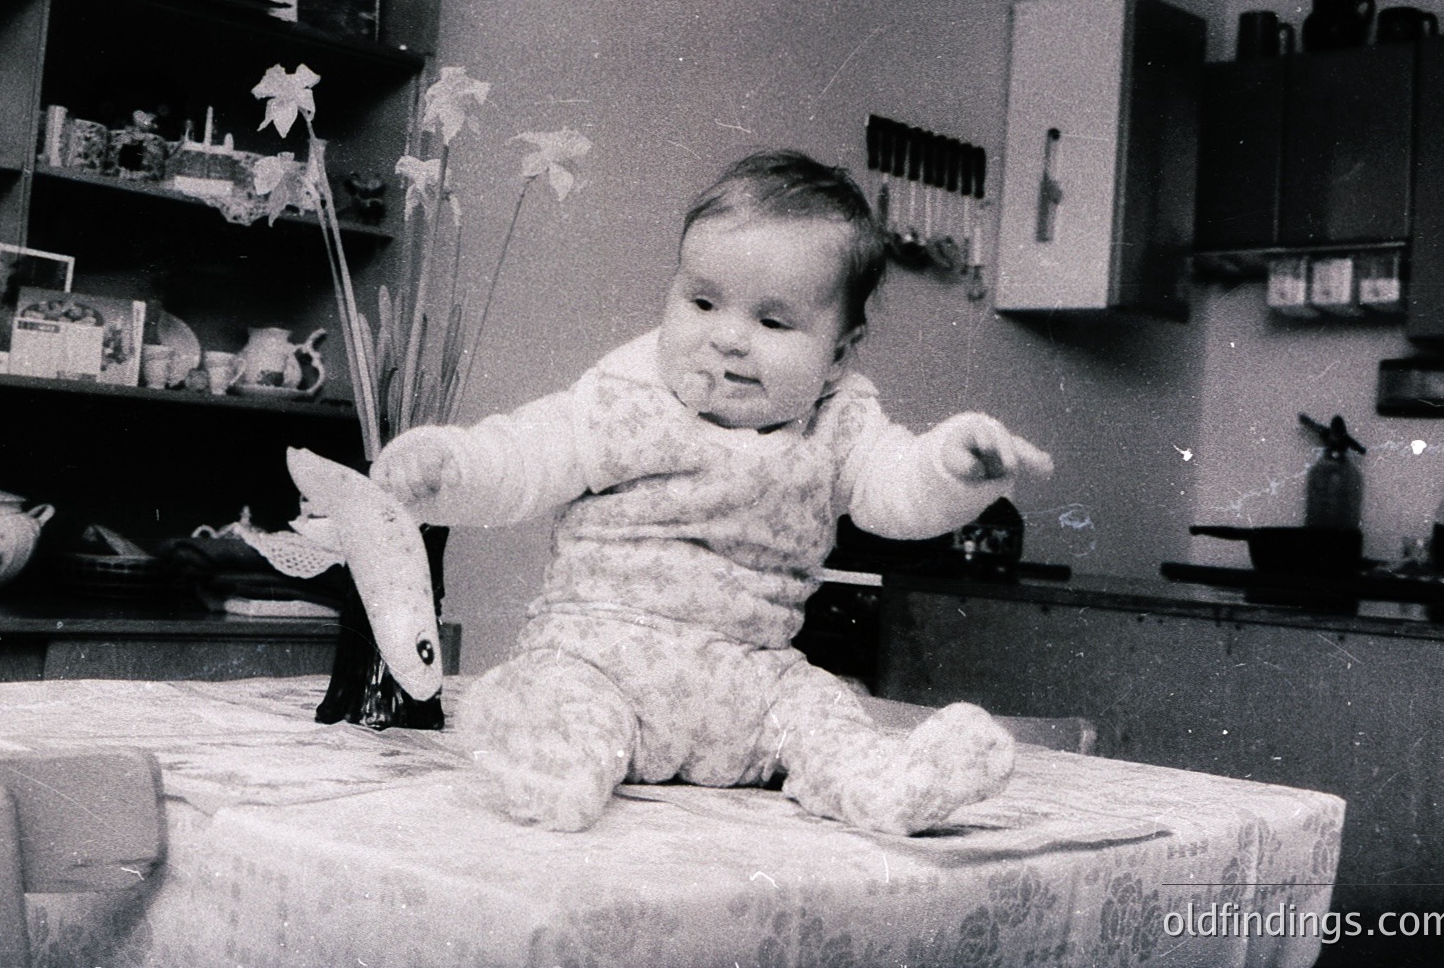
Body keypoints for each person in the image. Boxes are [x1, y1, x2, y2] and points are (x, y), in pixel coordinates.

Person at [376, 149, 1053, 833]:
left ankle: (890, 785)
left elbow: (896, 491)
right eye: (702, 302)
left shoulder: (839, 423)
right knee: (557, 703)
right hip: (602, 658)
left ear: (838, 353)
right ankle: (554, 770)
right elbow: (519, 458)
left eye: (773, 323)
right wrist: (448, 467)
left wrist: (951, 466)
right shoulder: (625, 399)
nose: (728, 338)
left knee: (825, 713)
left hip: (754, 683)